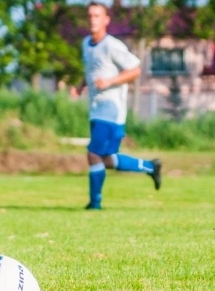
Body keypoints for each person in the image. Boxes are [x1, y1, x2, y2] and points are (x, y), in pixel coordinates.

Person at [71, 2, 161, 210]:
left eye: (97, 16)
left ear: (106, 20)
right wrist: (79, 87)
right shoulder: (86, 44)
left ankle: (95, 204)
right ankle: (150, 166)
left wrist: (110, 82)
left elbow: (135, 70)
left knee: (93, 154)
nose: (93, 19)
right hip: (96, 109)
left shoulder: (112, 45)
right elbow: (91, 71)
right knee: (106, 159)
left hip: (112, 111)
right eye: (90, 16)